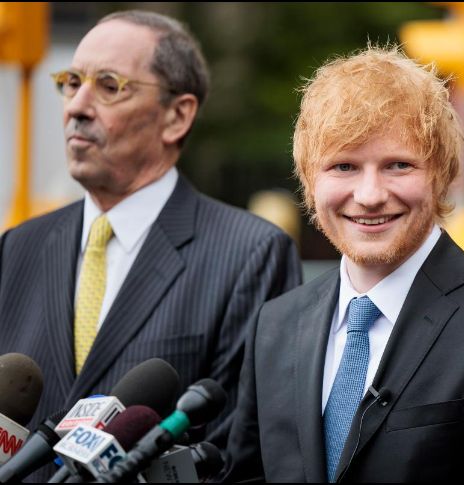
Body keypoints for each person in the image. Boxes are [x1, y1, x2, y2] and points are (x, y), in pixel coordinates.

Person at [224, 45, 464, 482]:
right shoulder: (276, 325)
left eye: (398, 165)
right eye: (343, 166)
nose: (370, 195)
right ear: (308, 179)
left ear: (443, 174)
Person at [0, 8, 302, 466]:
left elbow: (241, 451)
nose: (77, 106)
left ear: (177, 116)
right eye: (71, 82)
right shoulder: (18, 247)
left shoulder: (251, 255)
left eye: (108, 86)